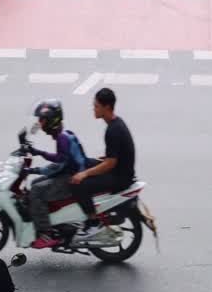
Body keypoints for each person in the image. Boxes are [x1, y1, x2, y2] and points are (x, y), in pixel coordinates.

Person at [70, 86, 136, 244]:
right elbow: (113, 158)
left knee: (78, 184)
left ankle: (93, 223)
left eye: (96, 106)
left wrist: (85, 174)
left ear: (106, 107)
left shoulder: (113, 130)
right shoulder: (116, 123)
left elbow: (110, 164)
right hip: (119, 169)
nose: (94, 109)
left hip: (119, 177)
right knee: (84, 163)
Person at [27, 99, 87, 249]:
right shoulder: (63, 135)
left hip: (71, 179)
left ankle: (46, 233)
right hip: (69, 173)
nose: (40, 124)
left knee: (36, 190)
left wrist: (34, 170)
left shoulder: (62, 138)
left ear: (52, 121)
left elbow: (58, 166)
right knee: (35, 183)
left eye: (43, 120)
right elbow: (59, 159)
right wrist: (39, 153)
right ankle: (52, 222)